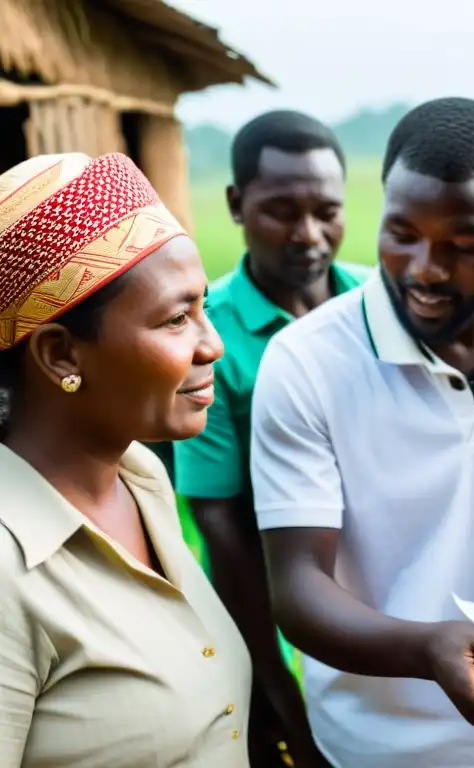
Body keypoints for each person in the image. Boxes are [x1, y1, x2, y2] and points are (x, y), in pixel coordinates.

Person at [248, 96, 474, 768]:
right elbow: (298, 587)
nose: (425, 268)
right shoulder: (306, 364)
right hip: (376, 746)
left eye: (463, 245)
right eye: (401, 233)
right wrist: (427, 648)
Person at [0, 152, 251, 766]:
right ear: (61, 356)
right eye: (175, 319)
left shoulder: (140, 480)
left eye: (205, 308)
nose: (211, 344)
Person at [173, 110, 367, 767]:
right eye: (282, 210)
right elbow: (220, 524)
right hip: (265, 605)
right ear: (236, 204)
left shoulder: (377, 304)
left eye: (326, 210)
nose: (309, 234)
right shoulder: (209, 337)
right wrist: (277, 683)